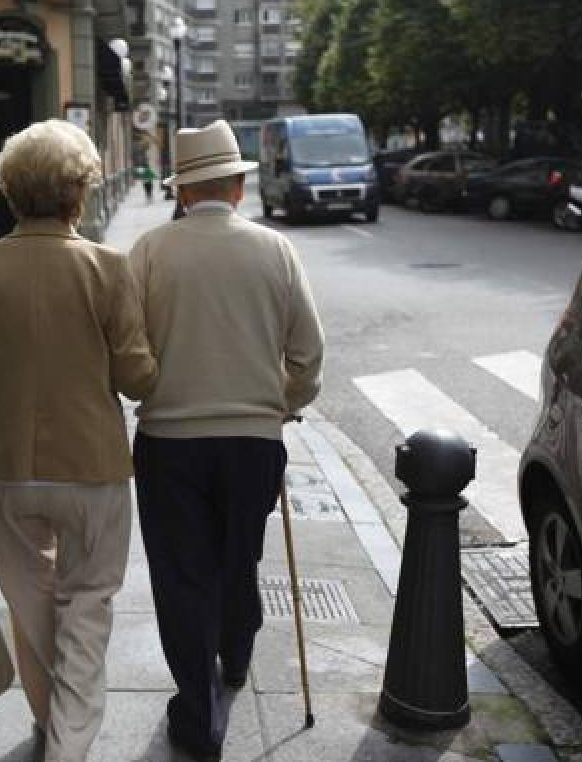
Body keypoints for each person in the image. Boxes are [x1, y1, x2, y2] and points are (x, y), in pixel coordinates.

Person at [0, 119, 158, 762]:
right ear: (79, 193)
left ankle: (51, 724)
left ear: (10, 192)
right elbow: (135, 377)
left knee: (32, 606)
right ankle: (68, 745)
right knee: (86, 608)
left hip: (1, 470)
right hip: (90, 467)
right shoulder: (107, 267)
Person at [128, 120, 325, 762]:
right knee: (239, 554)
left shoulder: (150, 251)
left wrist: (156, 390)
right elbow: (308, 357)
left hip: (170, 441)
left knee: (183, 574)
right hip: (252, 440)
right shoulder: (276, 250)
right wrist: (279, 407)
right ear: (239, 186)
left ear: (184, 192)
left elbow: (127, 352)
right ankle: (235, 655)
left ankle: (201, 711)